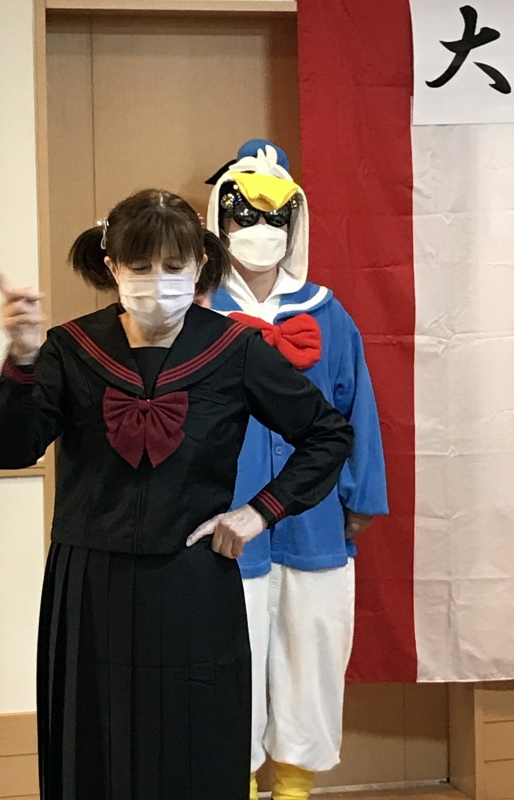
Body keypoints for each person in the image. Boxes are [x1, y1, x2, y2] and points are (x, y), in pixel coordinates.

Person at [0, 188, 354, 800]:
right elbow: (10, 450)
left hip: (193, 581)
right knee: (93, 746)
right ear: (112, 268)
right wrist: (22, 359)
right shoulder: (71, 348)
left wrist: (260, 512)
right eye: (140, 265)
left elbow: (327, 434)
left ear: (200, 265)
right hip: (90, 584)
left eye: (175, 265)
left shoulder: (234, 349)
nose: (159, 280)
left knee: (194, 748)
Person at [206, 142, 388, 800]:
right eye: (244, 214)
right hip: (224, 522)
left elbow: (354, 405)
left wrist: (360, 495)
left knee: (312, 656)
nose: (259, 229)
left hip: (313, 525)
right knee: (228, 661)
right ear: (218, 219)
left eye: (275, 216)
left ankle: (293, 788)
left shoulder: (329, 315)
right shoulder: (195, 317)